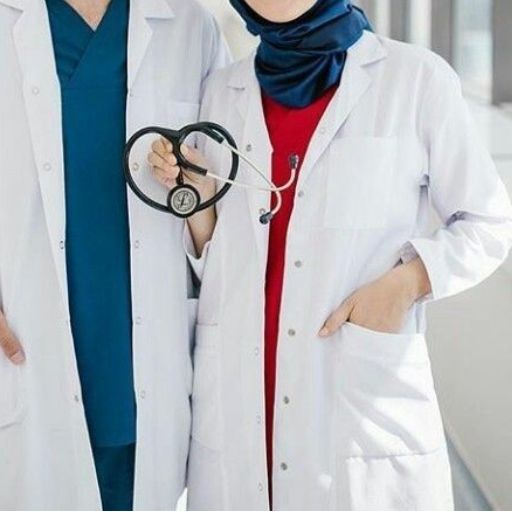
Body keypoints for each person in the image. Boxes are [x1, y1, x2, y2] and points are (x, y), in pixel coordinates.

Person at [148, 0, 512, 509]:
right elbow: (220, 255)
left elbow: (488, 221)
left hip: (354, 401)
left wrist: (406, 284)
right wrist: (197, 198)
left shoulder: (415, 79)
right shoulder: (221, 92)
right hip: (238, 403)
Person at [0, 0, 229, 509]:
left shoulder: (191, 28)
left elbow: (228, 217)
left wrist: (195, 193)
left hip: (143, 371)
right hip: (24, 353)